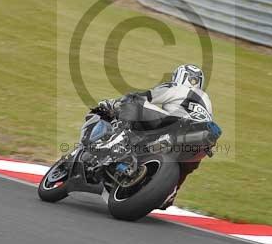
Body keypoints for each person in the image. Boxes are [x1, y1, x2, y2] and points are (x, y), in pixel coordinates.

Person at [92, 64, 214, 209]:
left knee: (134, 100)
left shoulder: (176, 87)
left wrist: (113, 104)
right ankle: (171, 192)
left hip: (176, 124)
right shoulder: (207, 100)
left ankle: (117, 140)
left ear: (179, 77)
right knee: (186, 166)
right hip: (200, 140)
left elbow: (147, 96)